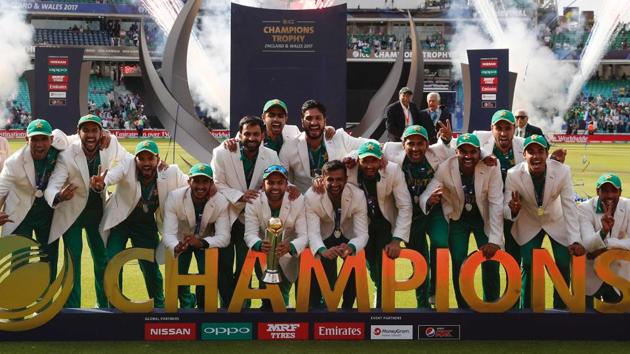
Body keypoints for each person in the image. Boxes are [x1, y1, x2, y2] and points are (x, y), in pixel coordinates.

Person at [45, 114, 129, 308]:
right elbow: (52, 186)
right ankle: (72, 309)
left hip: (97, 213)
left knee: (103, 259)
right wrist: (58, 196)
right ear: (78, 132)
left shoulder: (111, 143)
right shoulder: (67, 153)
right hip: (71, 213)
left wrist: (106, 181)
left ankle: (106, 306)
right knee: (73, 262)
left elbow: (129, 162)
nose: (90, 135)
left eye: (95, 130)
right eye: (86, 130)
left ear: (101, 132)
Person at [94, 140, 188, 308]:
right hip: (120, 222)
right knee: (112, 262)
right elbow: (112, 175)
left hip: (145, 224)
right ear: (135, 159)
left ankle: (159, 305)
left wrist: (212, 188)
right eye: (141, 158)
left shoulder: (169, 171)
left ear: (157, 159)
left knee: (150, 266)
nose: (146, 163)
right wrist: (102, 183)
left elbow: (190, 184)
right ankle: (113, 306)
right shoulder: (127, 164)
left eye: (150, 158)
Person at [420, 133, 504, 308]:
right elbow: (428, 191)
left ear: (479, 152)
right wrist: (428, 200)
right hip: (458, 218)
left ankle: (492, 305)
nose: (468, 156)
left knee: (491, 259)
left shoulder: (491, 166)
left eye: (472, 152)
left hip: (484, 217)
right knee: (459, 261)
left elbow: (496, 203)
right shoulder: (446, 167)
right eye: (463, 151)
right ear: (456, 151)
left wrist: (495, 240)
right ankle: (464, 308)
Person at [504, 134, 585, 309]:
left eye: (540, 151)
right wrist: (513, 209)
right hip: (528, 220)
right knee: (528, 263)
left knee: (563, 262)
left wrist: (575, 239)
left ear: (547, 154)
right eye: (531, 152)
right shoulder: (513, 174)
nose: (536, 156)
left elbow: (569, 206)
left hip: (556, 219)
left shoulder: (563, 171)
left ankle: (561, 309)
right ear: (524, 155)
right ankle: (526, 310)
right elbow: (505, 206)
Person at [211, 115, 282, 307]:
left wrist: (288, 187)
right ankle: (228, 306)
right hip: (225, 215)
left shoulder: (271, 155)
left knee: (245, 265)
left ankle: (244, 305)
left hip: (251, 220)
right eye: (247, 134)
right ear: (239, 135)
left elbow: (278, 181)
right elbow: (216, 184)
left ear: (263, 135)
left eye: (256, 134)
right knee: (223, 265)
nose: (251, 138)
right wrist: (240, 196)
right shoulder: (222, 153)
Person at [382, 125, 453, 308]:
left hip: (433, 209)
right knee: (418, 259)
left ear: (427, 144)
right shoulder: (390, 151)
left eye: (420, 143)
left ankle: (435, 293)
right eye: (410, 143)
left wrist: (445, 140)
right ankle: (422, 305)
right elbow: (361, 146)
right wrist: (350, 158)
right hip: (409, 214)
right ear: (402, 144)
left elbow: (464, 150)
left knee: (441, 243)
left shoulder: (437, 153)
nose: (415, 148)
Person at [345, 141, 412, 308]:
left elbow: (405, 205)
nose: (369, 166)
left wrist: (397, 239)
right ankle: (347, 309)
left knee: (383, 268)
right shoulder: (349, 170)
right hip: (359, 224)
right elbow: (337, 161)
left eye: (373, 161)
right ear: (358, 161)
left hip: (383, 222)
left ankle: (382, 308)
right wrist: (352, 156)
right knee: (362, 266)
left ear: (381, 160)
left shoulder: (393, 170)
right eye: (365, 161)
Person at [0, 120, 69, 282]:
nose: (39, 144)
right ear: (27, 140)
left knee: (49, 258)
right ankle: (17, 305)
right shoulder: (14, 162)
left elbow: (76, 139)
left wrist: (107, 135)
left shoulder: (60, 147)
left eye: (43, 139)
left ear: (51, 139)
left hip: (47, 212)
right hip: (19, 213)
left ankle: (46, 304)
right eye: (34, 139)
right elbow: (1, 189)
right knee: (19, 259)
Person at [160, 163, 232, 308]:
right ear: (189, 182)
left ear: (212, 183)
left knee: (208, 275)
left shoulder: (221, 201)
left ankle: (203, 307)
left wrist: (202, 243)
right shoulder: (175, 197)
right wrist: (176, 246)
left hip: (206, 241)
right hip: (180, 240)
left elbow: (224, 237)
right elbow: (168, 233)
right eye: (196, 181)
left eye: (205, 181)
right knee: (177, 274)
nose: (200, 186)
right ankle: (187, 304)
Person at [305, 160, 369, 309]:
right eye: (330, 180)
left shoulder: (358, 195)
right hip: (324, 235)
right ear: (322, 178)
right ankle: (317, 310)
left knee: (354, 264)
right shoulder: (311, 196)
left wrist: (352, 247)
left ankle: (348, 308)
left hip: (348, 234)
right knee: (319, 273)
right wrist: (322, 251)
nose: (335, 184)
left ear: (346, 179)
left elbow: (362, 233)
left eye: (339, 179)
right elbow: (313, 232)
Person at [244, 165, 308, 307]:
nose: (275, 187)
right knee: (267, 299)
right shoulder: (254, 201)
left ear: (286, 185)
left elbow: (304, 235)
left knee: (285, 294)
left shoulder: (298, 200)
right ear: (263, 184)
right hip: (263, 253)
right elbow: (249, 234)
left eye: (280, 183)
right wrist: (259, 244)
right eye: (271, 183)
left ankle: (285, 324)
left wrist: (290, 246)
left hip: (290, 253)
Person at [280, 99, 367, 193]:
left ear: (324, 121)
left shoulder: (339, 137)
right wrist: (290, 188)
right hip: (305, 202)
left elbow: (371, 145)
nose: (313, 123)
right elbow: (279, 176)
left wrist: (353, 155)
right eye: (309, 118)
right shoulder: (290, 145)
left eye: (318, 118)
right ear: (302, 122)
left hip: (338, 199)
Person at [579, 174, 629, 308]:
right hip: (590, 273)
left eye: (614, 191)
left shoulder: (628, 207)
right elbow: (588, 244)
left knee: (619, 321)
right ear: (597, 192)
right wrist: (603, 232)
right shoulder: (584, 208)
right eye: (605, 190)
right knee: (584, 319)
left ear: (620, 192)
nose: (610, 195)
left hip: (619, 275)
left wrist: (608, 245)